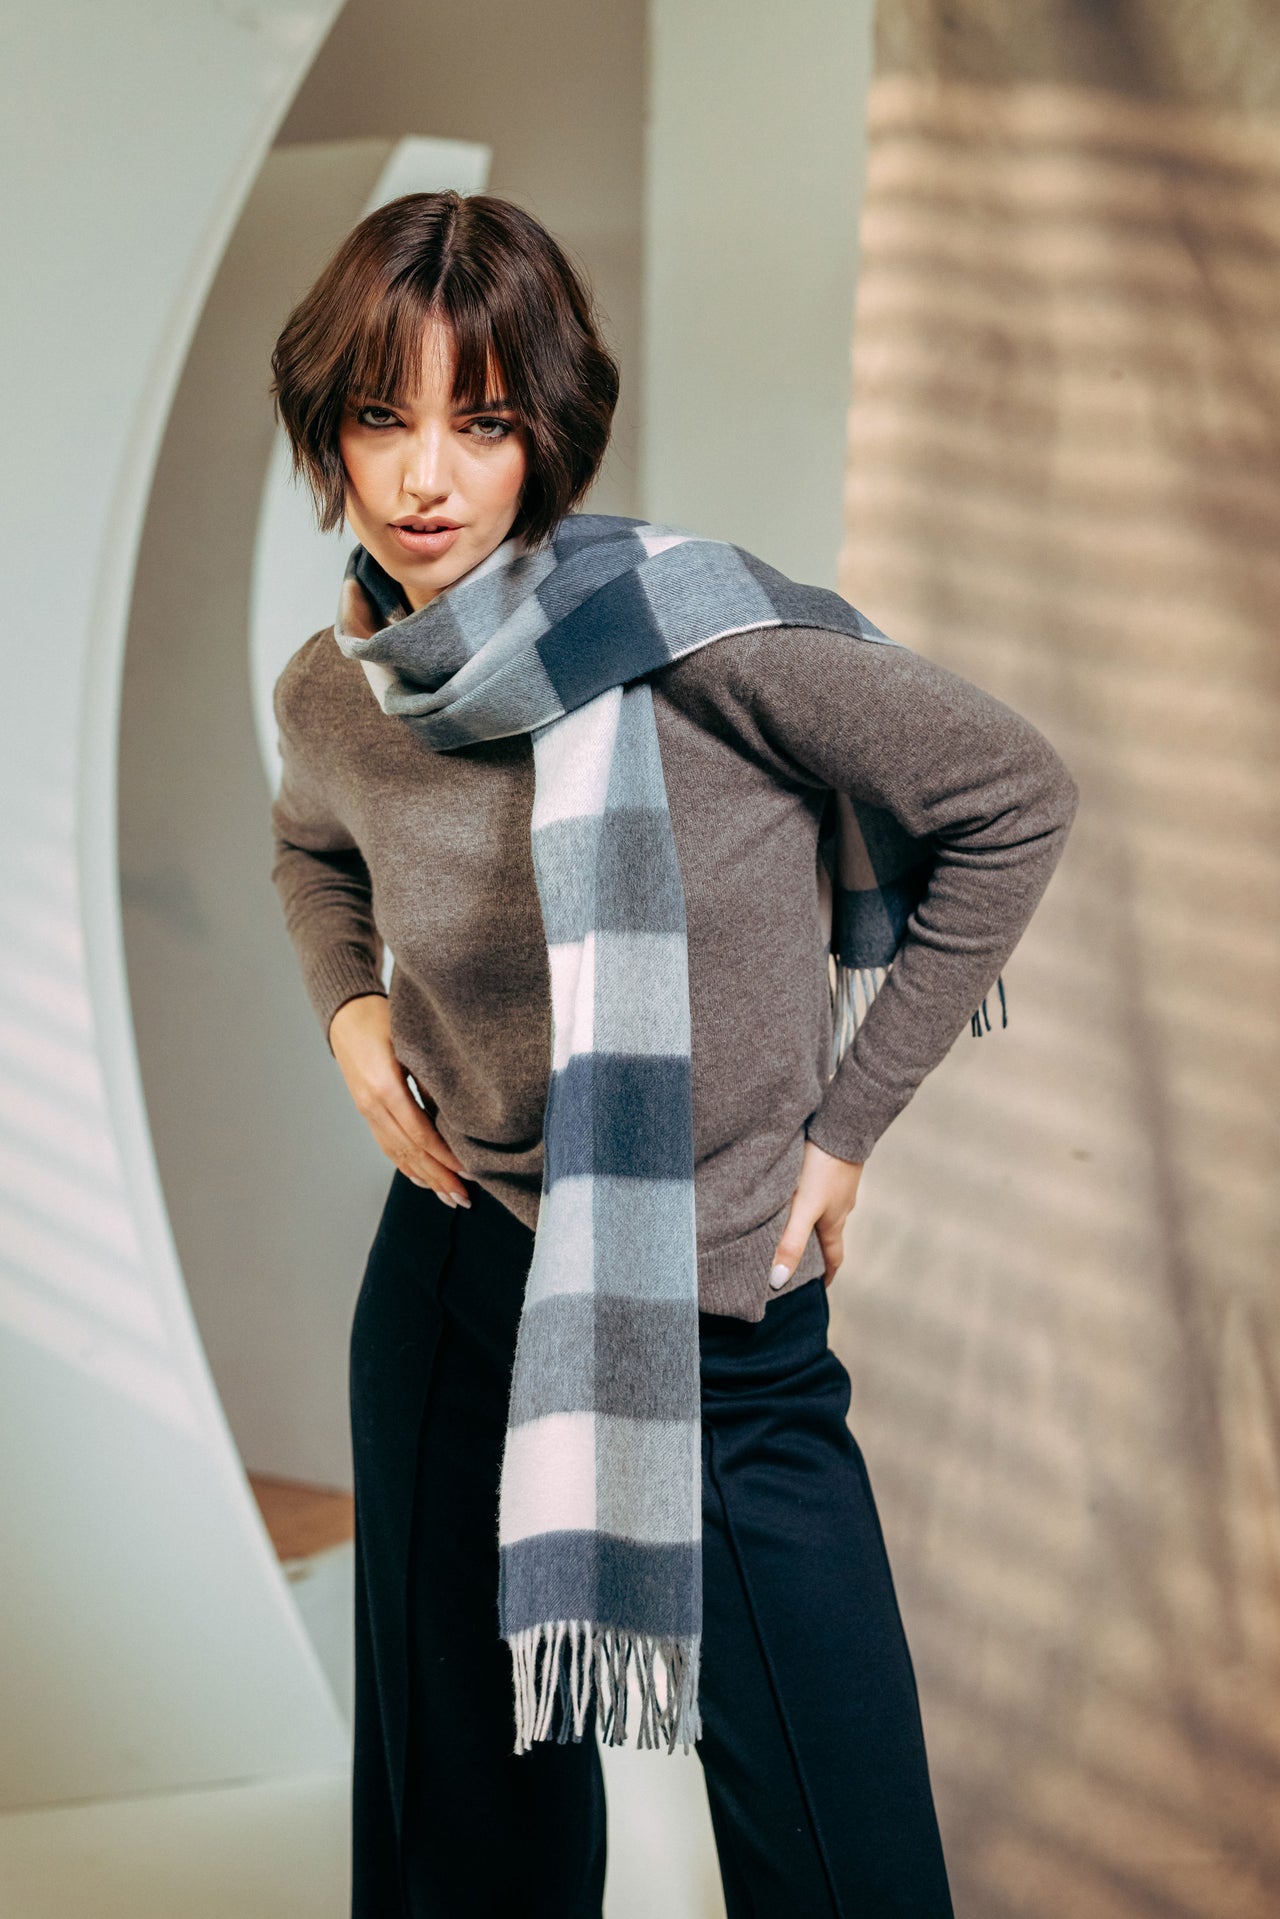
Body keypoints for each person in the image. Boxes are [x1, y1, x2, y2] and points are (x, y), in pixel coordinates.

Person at [266, 189, 1079, 1919]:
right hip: (456, 1282)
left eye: (483, 422)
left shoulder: (705, 645)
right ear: (327, 429)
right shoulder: (341, 691)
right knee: (454, 1846)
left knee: (845, 1862)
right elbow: (311, 847)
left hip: (714, 1300)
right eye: (382, 417)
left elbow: (1014, 797)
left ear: (548, 435)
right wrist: (351, 1009)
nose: (425, 478)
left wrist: (847, 1131)